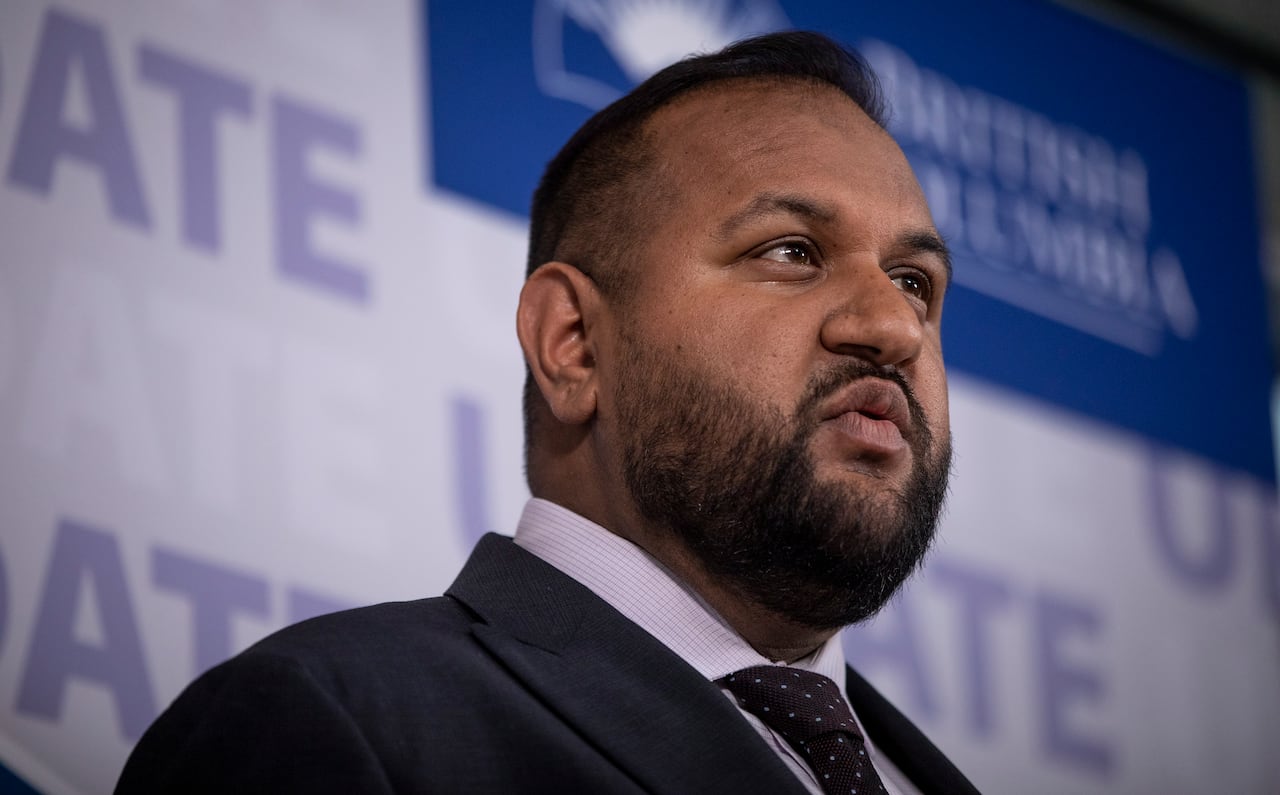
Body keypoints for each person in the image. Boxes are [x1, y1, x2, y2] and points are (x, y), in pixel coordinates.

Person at [116, 30, 977, 794]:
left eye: (915, 282)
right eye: (791, 251)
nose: (894, 326)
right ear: (574, 344)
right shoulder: (331, 721)